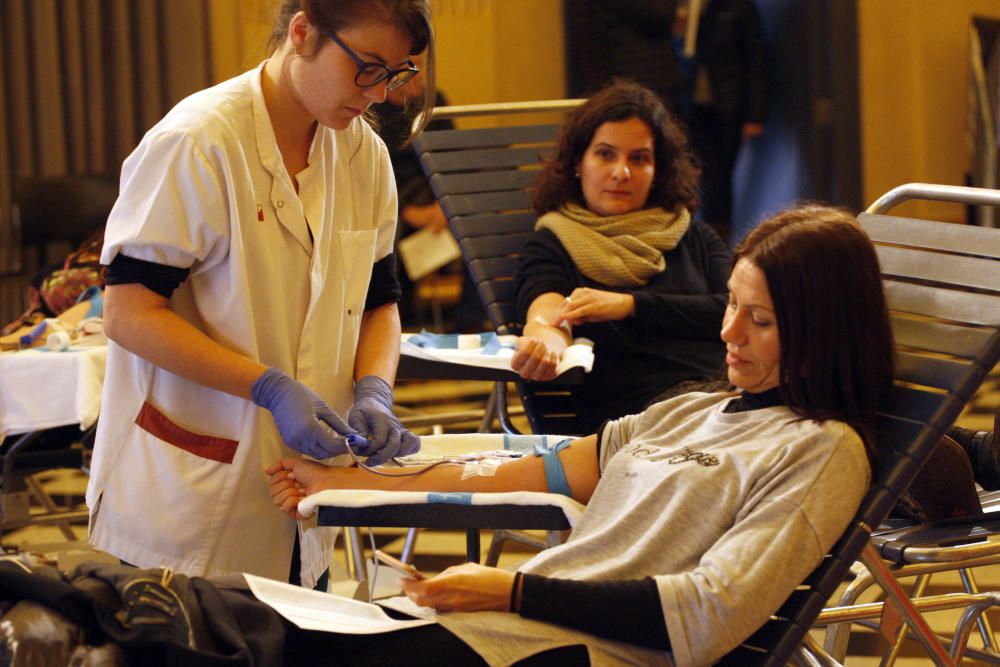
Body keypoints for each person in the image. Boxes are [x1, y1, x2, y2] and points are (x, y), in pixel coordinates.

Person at [266, 204, 896, 665]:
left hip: (575, 649)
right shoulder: (689, 411)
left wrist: (511, 589)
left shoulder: (821, 450)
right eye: (730, 305)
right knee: (239, 620)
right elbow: (523, 469)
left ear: (825, 331)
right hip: (502, 626)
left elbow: (706, 614)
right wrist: (352, 479)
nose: (729, 332)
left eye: (759, 320)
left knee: (260, 643)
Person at [86, 0, 433, 587]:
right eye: (367, 67)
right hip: (190, 499)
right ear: (302, 33)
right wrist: (265, 386)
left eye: (395, 73)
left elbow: (379, 302)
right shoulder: (198, 142)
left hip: (305, 491)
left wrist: (374, 390)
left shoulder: (363, 156)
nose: (379, 94)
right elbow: (128, 313)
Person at [511, 81, 730, 433]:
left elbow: (734, 310)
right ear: (578, 163)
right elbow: (550, 314)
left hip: (727, 397)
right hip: (642, 419)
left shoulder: (694, 236)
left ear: (658, 169)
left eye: (639, 158)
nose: (621, 172)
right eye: (605, 154)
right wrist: (543, 339)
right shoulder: (554, 243)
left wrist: (630, 306)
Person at [673, 0, 767, 234]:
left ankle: (719, 239)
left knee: (720, 179)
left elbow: (755, 58)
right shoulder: (680, 8)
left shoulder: (738, 7)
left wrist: (755, 114)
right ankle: (696, 236)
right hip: (688, 107)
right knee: (695, 175)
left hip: (728, 106)